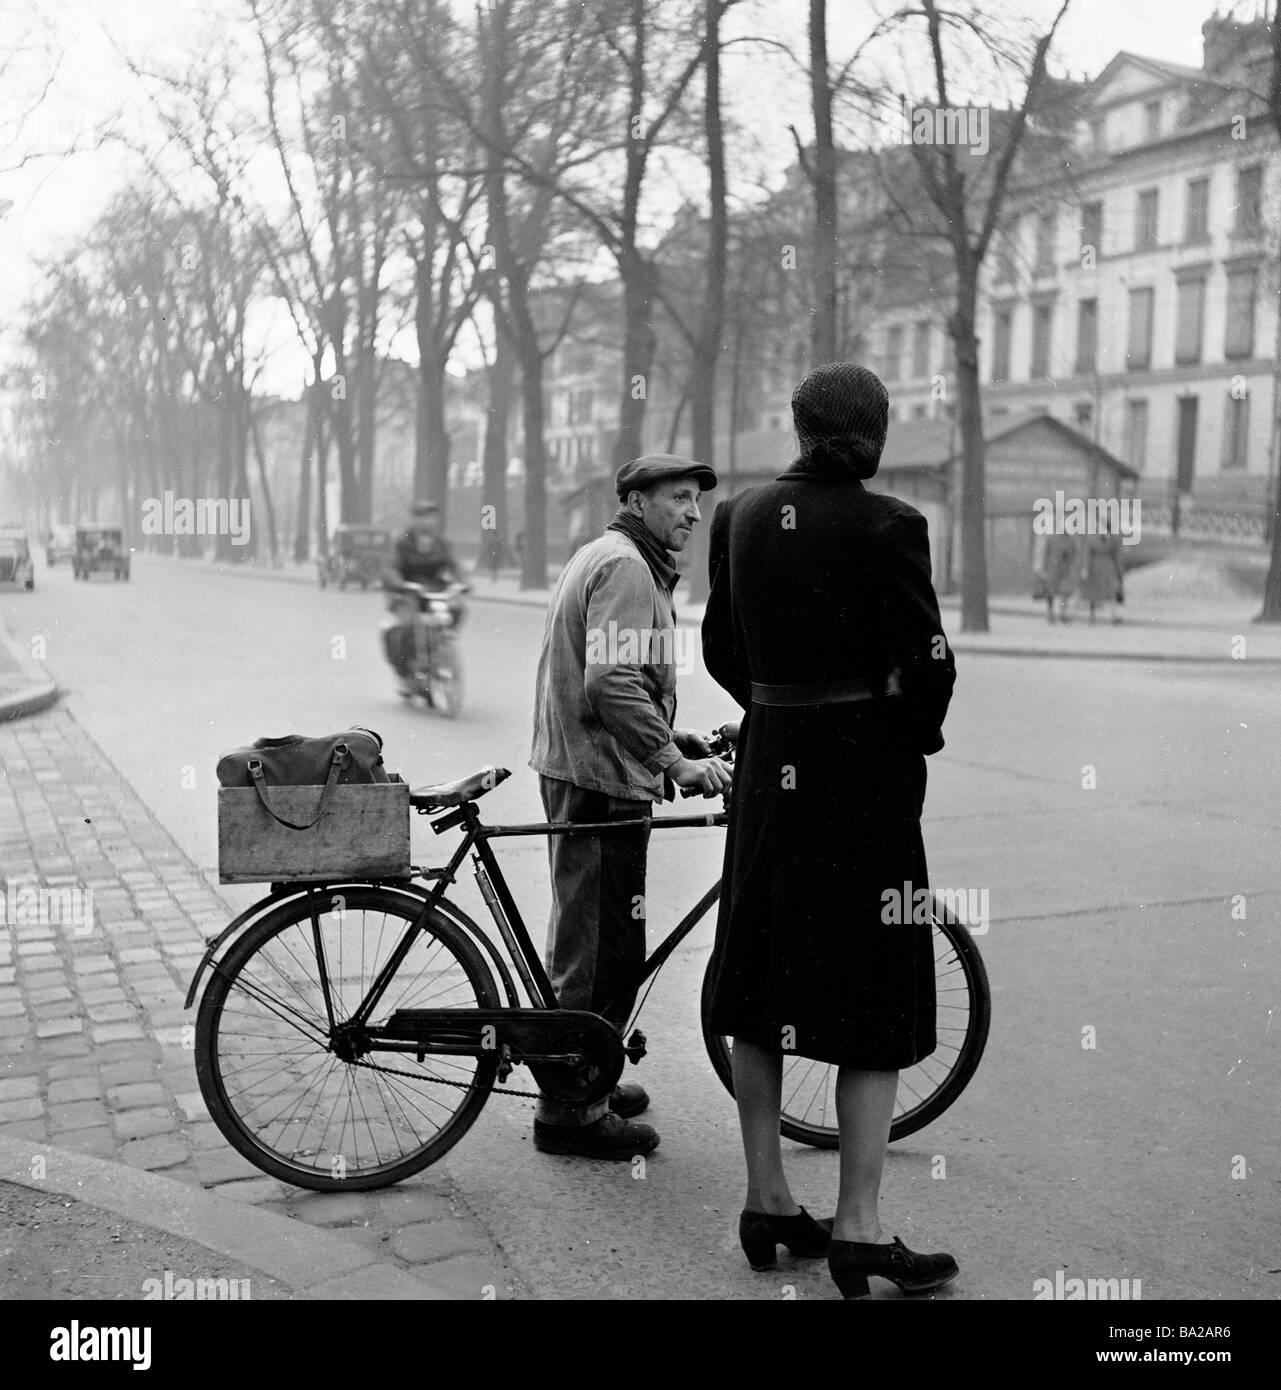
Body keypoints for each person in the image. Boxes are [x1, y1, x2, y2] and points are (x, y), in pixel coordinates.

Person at [702, 361, 960, 1301]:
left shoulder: (736, 518)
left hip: (771, 772)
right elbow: (927, 668)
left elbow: (722, 652)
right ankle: (858, 1229)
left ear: (798, 427)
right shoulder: (890, 525)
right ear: (876, 434)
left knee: (757, 980)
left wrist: (780, 709)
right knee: (875, 996)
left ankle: (767, 1199)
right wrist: (896, 737)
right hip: (862, 785)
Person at [529, 454, 733, 1159]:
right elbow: (610, 683)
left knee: (607, 936)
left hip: (591, 766)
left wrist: (666, 736)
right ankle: (569, 1110)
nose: (692, 513)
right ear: (637, 499)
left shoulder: (612, 554)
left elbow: (621, 681)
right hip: (596, 778)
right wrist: (672, 760)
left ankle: (591, 1066)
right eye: (678, 498)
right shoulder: (625, 567)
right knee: (594, 944)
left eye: (696, 501)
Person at [382, 502, 465, 693]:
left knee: (457, 608)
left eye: (431, 516)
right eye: (422, 516)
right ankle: (404, 675)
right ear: (414, 519)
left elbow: (454, 565)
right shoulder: (403, 542)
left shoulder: (441, 543)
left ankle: (442, 645)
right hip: (407, 592)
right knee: (407, 627)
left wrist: (463, 582)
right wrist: (398, 583)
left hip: (433, 590)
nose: (427, 521)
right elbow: (392, 567)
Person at [1080, 520, 1124, 624]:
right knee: (1093, 591)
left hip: (1108, 567)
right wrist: (1085, 568)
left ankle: (1114, 615)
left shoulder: (1113, 539)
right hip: (1095, 567)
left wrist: (1119, 569)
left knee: (1111, 590)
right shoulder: (1091, 538)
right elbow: (1088, 554)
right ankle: (1092, 615)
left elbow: (1116, 555)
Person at [1032, 528, 1080, 624]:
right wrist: (1043, 568)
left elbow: (1074, 554)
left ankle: (1063, 613)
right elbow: (1045, 553)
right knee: (1050, 592)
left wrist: (1072, 565)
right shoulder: (1052, 538)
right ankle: (1050, 612)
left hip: (1066, 569)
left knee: (1065, 592)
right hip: (1052, 569)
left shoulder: (1071, 540)